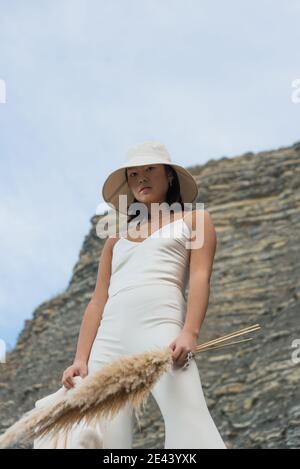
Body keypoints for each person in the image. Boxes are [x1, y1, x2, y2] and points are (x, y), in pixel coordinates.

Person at [34, 141, 226, 449]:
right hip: (108, 338)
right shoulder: (115, 239)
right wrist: (81, 358)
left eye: (150, 169)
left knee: (189, 419)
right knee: (95, 428)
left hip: (162, 327)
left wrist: (190, 332)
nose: (142, 178)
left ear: (170, 177)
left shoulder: (195, 220)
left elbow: (201, 277)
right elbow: (98, 300)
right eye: (134, 173)